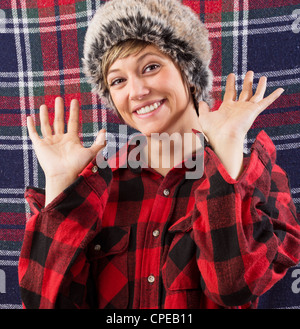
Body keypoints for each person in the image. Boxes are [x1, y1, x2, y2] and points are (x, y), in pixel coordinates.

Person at [18, 0, 300, 309]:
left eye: (151, 67)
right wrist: (60, 186)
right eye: (118, 80)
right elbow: (43, 305)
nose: (137, 91)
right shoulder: (95, 184)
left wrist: (226, 155)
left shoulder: (256, 176)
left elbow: (234, 287)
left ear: (189, 71)